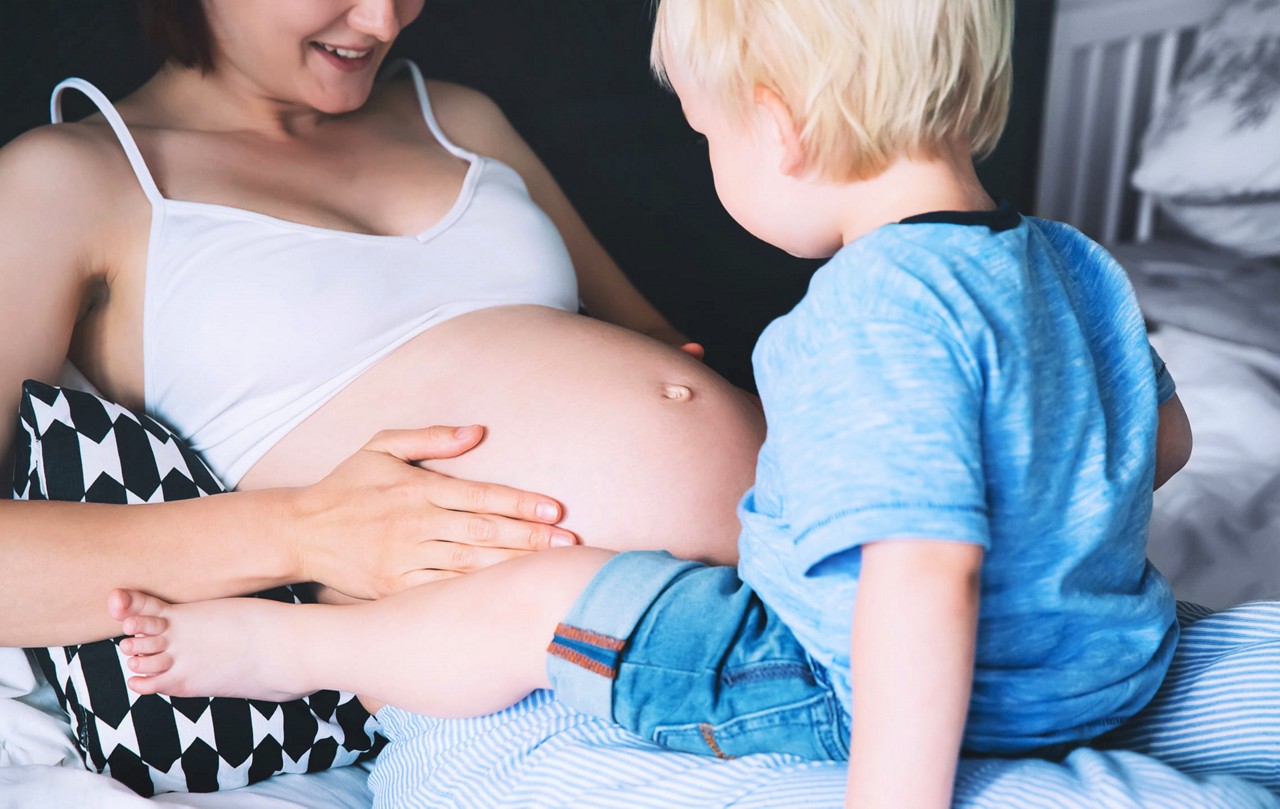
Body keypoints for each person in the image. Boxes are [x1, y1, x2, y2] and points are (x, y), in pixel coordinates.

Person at [108, 1, 1280, 807]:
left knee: (546, 601)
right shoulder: (1066, 256)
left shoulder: (870, 305)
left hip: (843, 675)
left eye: (709, 132)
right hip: (1100, 657)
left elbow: (922, 575)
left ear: (778, 122)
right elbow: (1159, 438)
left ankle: (287, 644)